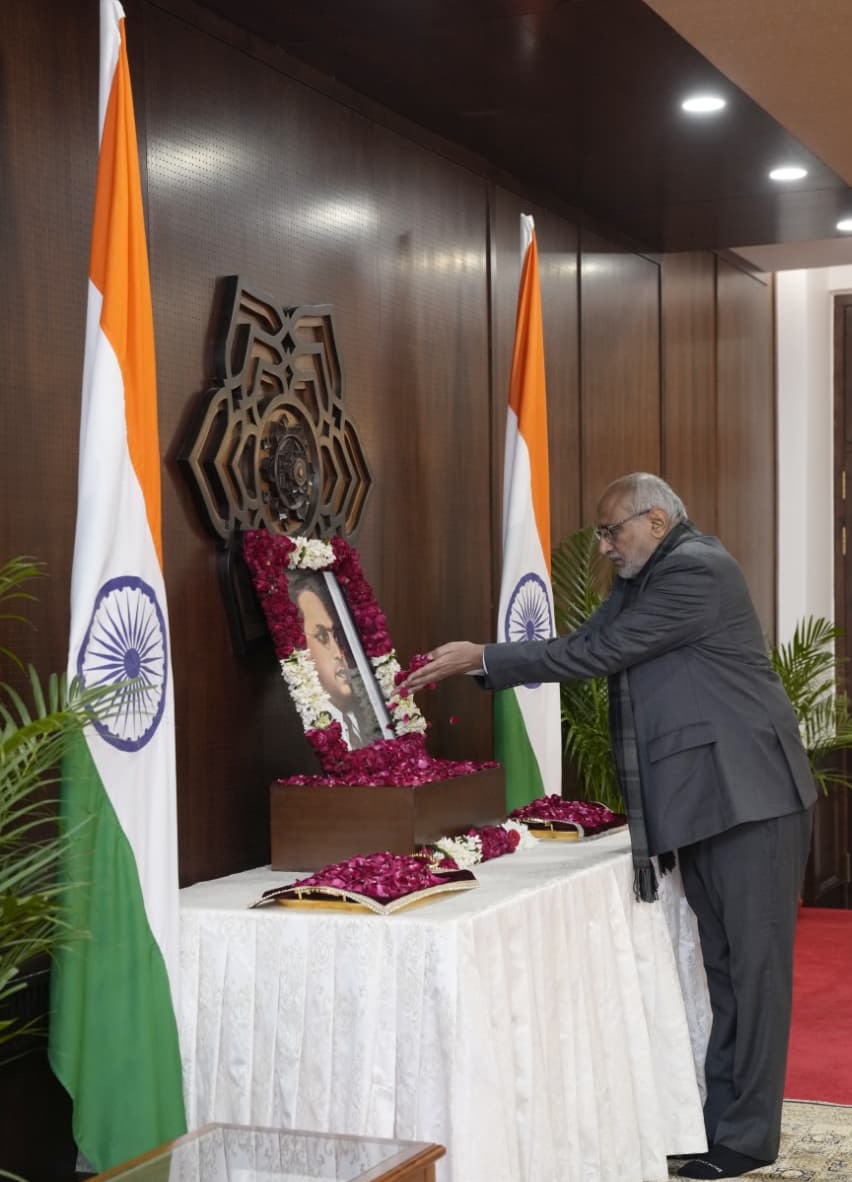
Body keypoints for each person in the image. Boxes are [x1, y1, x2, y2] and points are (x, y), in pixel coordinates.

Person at [405, 472, 817, 1180]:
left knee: (755, 974)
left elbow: (598, 655)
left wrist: (485, 658)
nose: (602, 545)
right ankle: (717, 1127)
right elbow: (591, 637)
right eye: (600, 533)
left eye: (611, 530)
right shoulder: (645, 579)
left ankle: (747, 1140)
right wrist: (489, 660)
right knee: (726, 976)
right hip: (709, 799)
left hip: (754, 799)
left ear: (655, 520)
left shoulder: (696, 571)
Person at [287, 570, 380, 750]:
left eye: (338, 636)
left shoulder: (368, 718)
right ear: (299, 647)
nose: (338, 653)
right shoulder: (302, 729)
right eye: (322, 636)